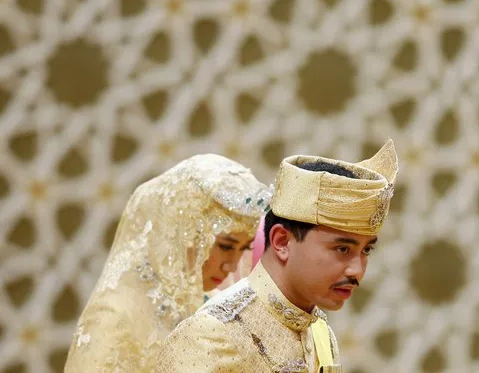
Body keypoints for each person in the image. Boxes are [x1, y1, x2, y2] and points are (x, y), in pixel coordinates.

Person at [156, 140, 399, 373]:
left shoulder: (320, 333)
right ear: (282, 242)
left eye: (366, 250)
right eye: (343, 249)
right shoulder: (211, 336)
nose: (356, 270)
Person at [64, 154, 272, 373]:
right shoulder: (114, 318)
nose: (232, 265)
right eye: (226, 247)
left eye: (245, 248)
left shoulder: (211, 304)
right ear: (184, 234)